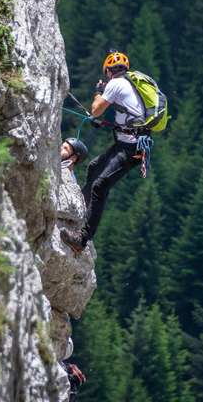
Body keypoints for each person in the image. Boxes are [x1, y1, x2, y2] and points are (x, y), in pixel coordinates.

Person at [60, 50, 146, 253]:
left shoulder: (116, 83)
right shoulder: (128, 85)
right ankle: (81, 206)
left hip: (131, 148)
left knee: (100, 185)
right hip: (129, 144)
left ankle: (81, 240)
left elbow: (96, 109)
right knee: (94, 166)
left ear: (108, 71)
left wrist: (99, 92)